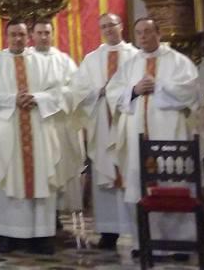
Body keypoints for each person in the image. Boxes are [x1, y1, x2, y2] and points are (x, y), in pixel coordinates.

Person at [106, 17, 204, 258]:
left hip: (172, 133)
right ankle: (144, 242)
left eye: (147, 31)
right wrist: (133, 90)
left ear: (158, 33)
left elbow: (191, 91)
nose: (142, 36)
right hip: (136, 135)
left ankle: (181, 243)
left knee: (174, 184)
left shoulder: (179, 61)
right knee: (139, 185)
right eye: (139, 32)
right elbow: (113, 93)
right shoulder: (130, 65)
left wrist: (158, 86)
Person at [0, 20, 63, 255]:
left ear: (29, 38)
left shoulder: (43, 62)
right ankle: (7, 234)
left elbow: (58, 92)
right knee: (8, 177)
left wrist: (36, 98)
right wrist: (13, 100)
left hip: (39, 129)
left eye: (22, 35)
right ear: (6, 37)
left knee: (40, 177)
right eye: (13, 35)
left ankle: (42, 235)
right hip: (8, 132)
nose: (18, 39)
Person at [71, 13, 137, 250]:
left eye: (112, 25)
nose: (109, 29)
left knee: (129, 175)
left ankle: (134, 230)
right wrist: (99, 92)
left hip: (126, 123)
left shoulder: (135, 56)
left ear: (121, 26)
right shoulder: (91, 59)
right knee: (104, 174)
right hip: (101, 122)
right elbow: (78, 90)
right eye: (104, 26)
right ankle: (109, 231)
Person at [29, 20, 83, 214]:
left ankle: (58, 212)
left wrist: (45, 97)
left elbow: (75, 90)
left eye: (47, 33)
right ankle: (38, 210)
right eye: (39, 33)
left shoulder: (64, 60)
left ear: (52, 35)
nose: (43, 37)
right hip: (34, 123)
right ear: (32, 35)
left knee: (59, 166)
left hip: (59, 123)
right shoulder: (25, 60)